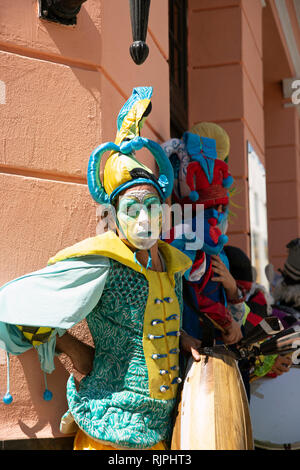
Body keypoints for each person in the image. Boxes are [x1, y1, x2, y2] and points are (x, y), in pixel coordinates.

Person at [0, 87, 199, 450]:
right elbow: (13, 301)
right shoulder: (102, 262)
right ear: (114, 217)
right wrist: (71, 348)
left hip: (163, 426)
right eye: (132, 209)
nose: (144, 219)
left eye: (151, 205)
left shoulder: (172, 265)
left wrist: (181, 338)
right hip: (109, 429)